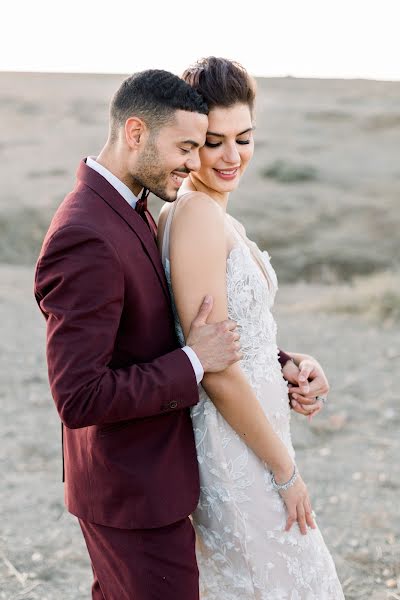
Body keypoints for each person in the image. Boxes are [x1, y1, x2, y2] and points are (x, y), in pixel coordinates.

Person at [34, 70, 244, 600]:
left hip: (150, 483)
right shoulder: (85, 233)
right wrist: (195, 363)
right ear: (135, 133)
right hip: (131, 493)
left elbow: (159, 320)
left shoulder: (130, 207)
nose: (196, 163)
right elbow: (79, 396)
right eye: (186, 147)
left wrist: (275, 358)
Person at [158, 57, 344, 598]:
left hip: (255, 437)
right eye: (214, 141)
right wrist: (286, 472)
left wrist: (290, 364)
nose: (232, 156)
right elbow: (214, 371)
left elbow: (239, 334)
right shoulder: (195, 216)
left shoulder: (216, 215)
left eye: (244, 137)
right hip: (236, 448)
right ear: (188, 141)